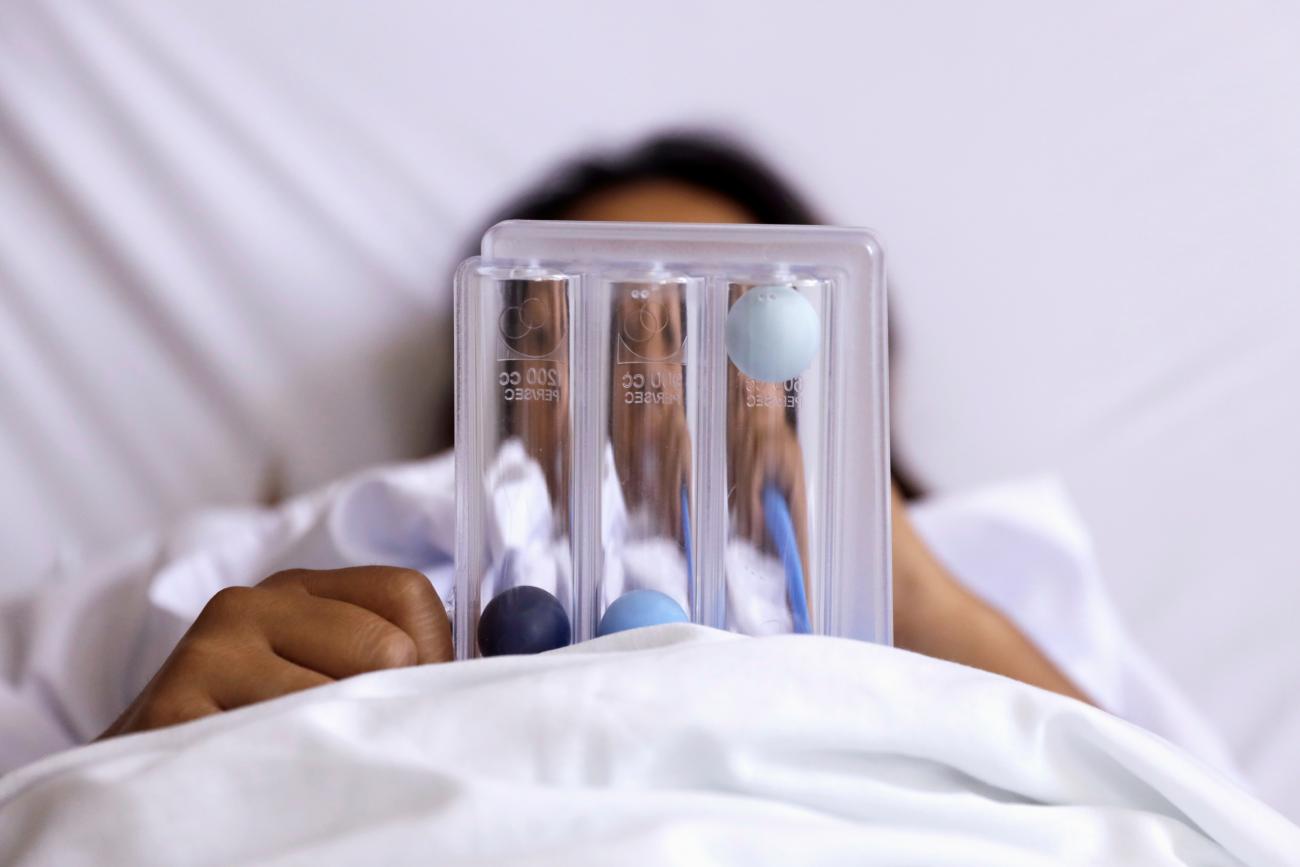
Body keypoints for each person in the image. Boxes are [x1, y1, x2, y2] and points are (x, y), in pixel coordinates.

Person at [7, 132, 1102, 761]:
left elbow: (1203, 830)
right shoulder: (244, 569)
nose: (655, 352)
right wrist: (131, 758)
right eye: (591, 313)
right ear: (503, 374)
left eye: (717, 308)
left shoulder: (1002, 574)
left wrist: (904, 579)